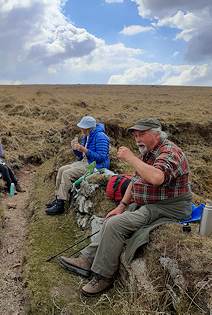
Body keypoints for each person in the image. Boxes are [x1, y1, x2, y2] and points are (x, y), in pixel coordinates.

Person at [58, 118, 192, 297]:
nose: (137, 139)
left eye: (142, 135)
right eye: (136, 136)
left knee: (115, 225)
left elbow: (157, 178)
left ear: (156, 134)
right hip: (150, 203)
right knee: (113, 218)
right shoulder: (149, 152)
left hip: (167, 207)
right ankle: (87, 259)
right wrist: (122, 205)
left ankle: (104, 276)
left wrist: (130, 158)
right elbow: (135, 179)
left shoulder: (169, 152)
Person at [45, 116, 110, 215]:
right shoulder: (85, 136)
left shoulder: (101, 137)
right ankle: (58, 198)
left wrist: (84, 150)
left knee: (67, 174)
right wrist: (75, 149)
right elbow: (81, 155)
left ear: (88, 127)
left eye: (82, 126)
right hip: (84, 161)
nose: (80, 128)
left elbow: (101, 157)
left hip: (95, 165)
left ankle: (60, 205)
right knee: (61, 170)